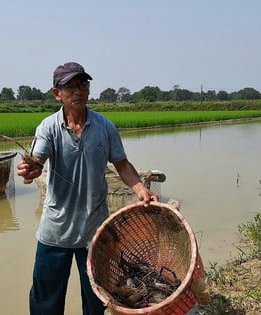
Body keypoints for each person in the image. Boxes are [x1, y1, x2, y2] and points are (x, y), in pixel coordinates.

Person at [16, 61, 159, 315]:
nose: (78, 91)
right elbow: (38, 159)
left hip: (95, 232)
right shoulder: (48, 127)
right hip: (55, 232)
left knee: (97, 301)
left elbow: (122, 164)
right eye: (70, 86)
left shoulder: (104, 127)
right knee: (45, 302)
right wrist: (32, 168)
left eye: (82, 84)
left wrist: (140, 189)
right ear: (56, 93)